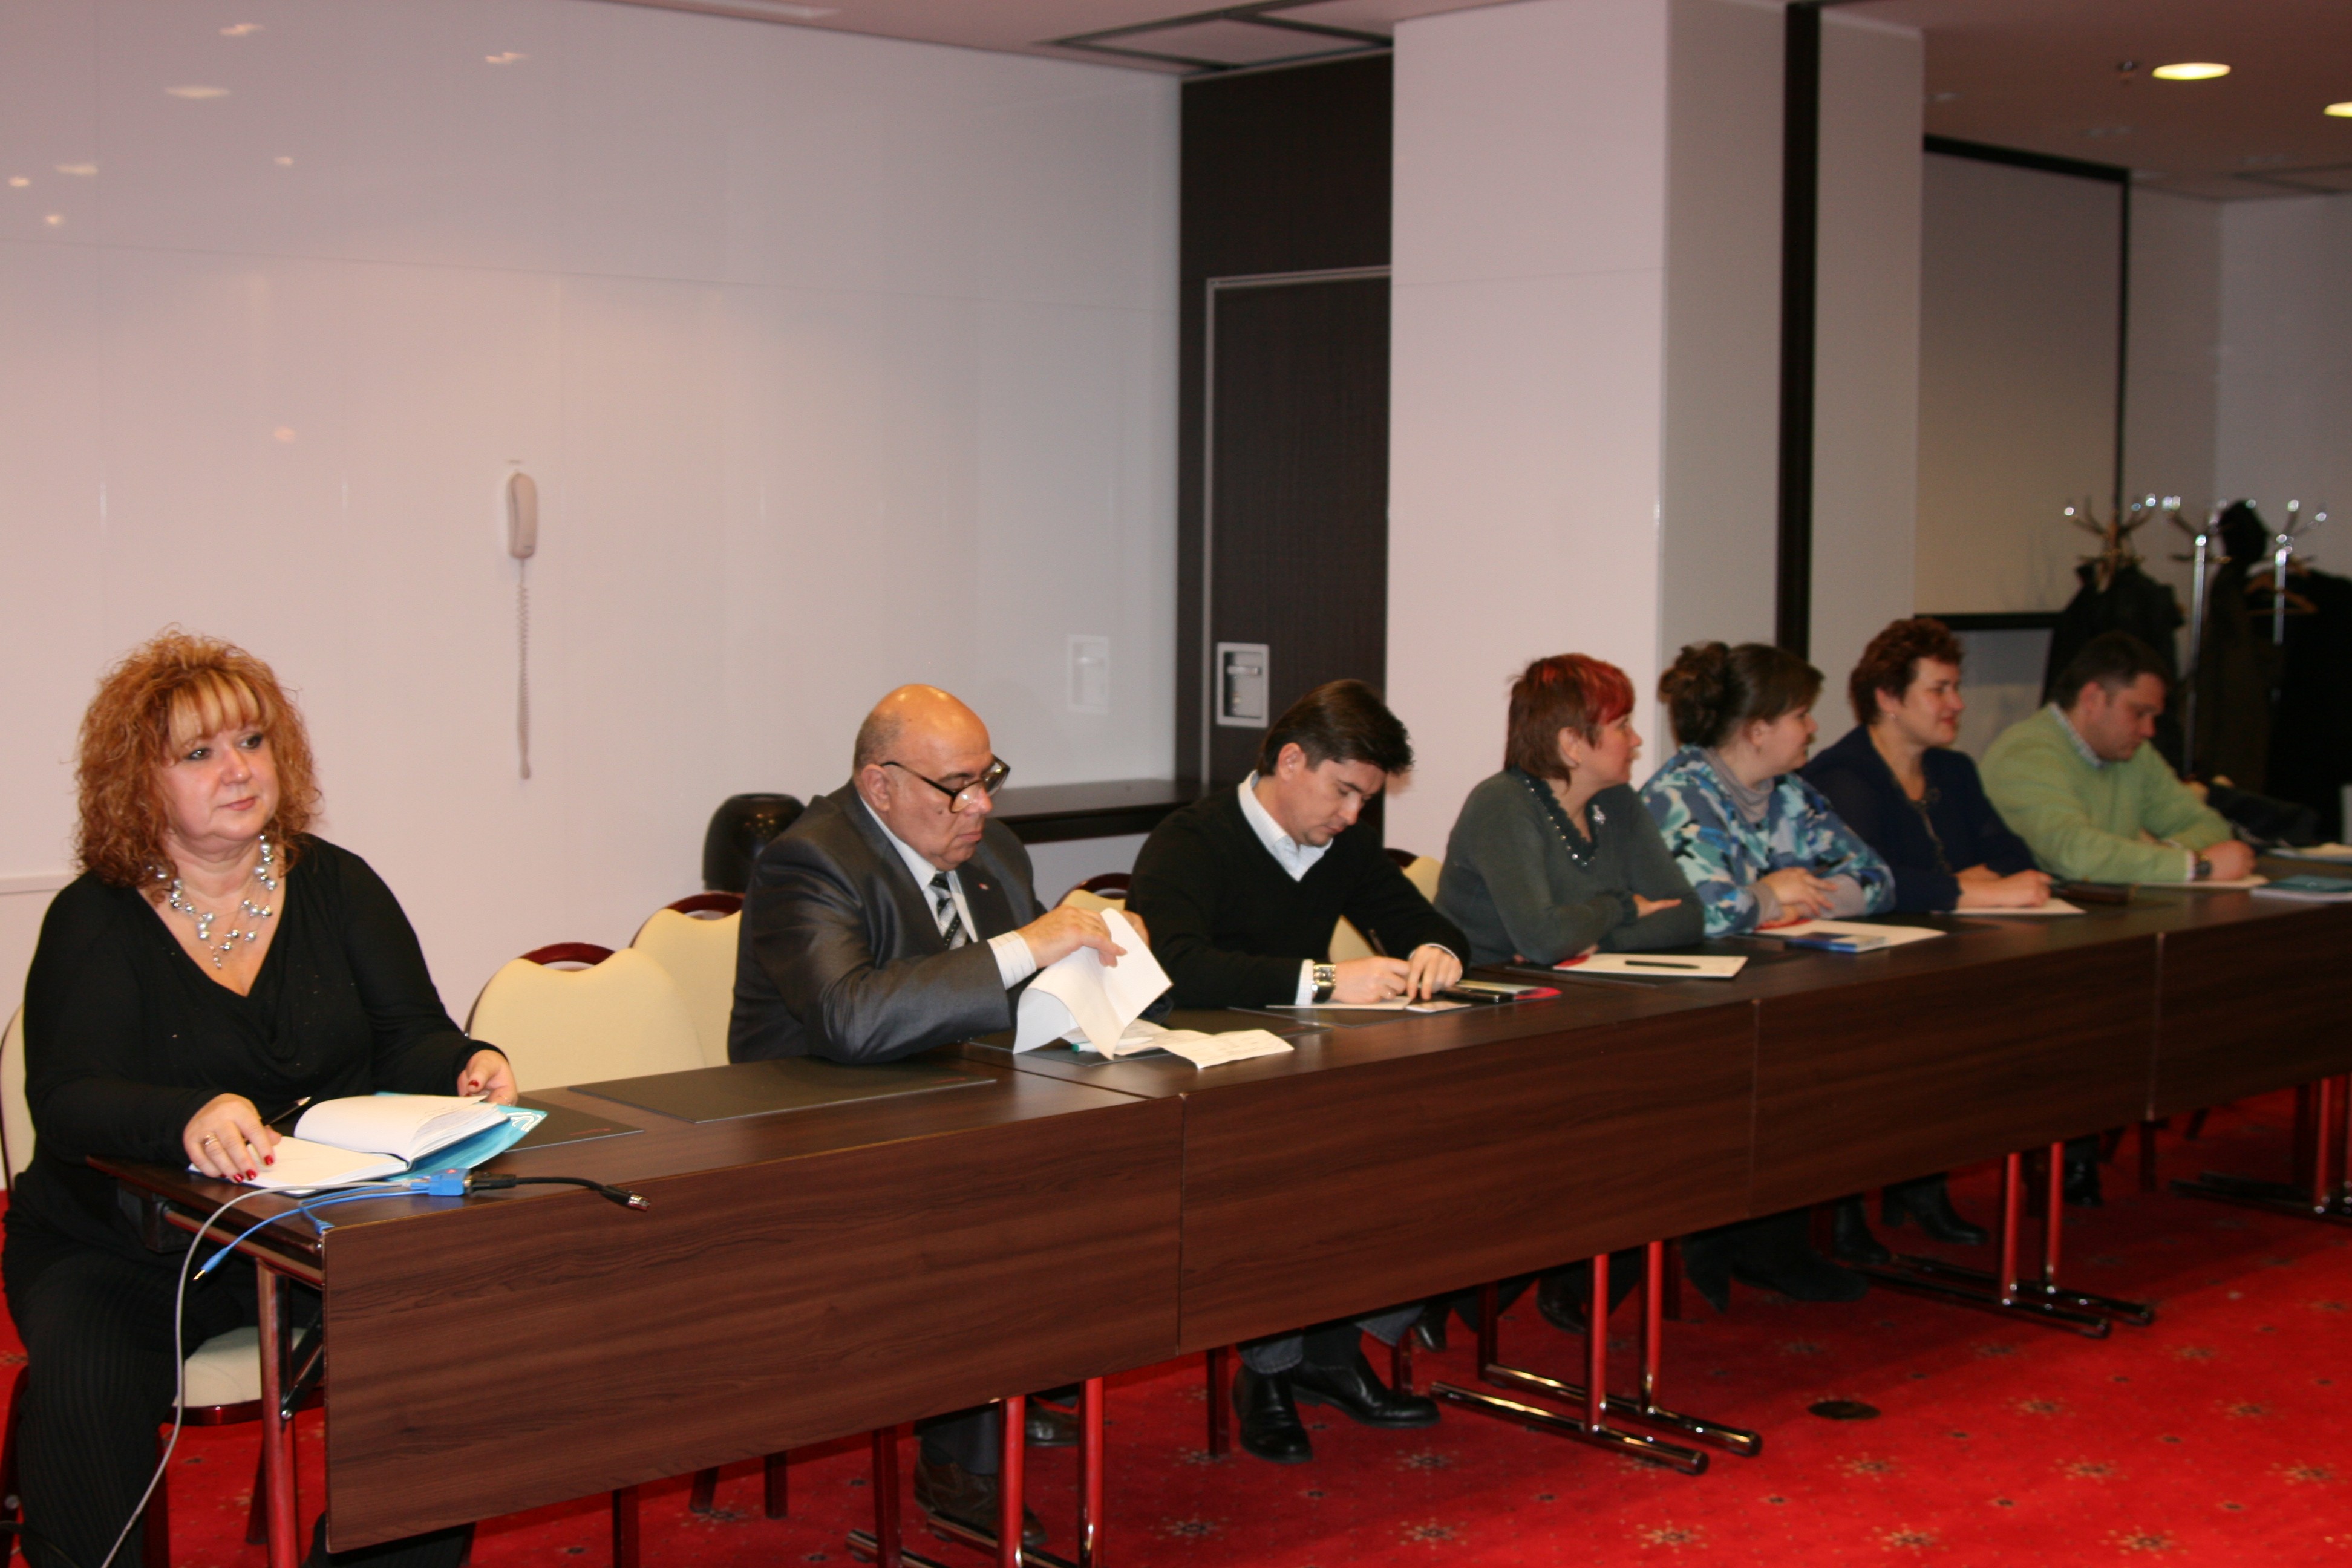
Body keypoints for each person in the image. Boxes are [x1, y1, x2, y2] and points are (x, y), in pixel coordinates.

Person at [7, 631, 516, 1568]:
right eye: (199, 753)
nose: (238, 769)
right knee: (86, 1390)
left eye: (252, 742)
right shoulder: (95, 918)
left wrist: (466, 1063)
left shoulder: (338, 884)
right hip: (123, 1245)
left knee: (454, 1361)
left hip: (315, 1233)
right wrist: (185, 1117)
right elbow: (69, 1100)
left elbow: (409, 1031)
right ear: (140, 783)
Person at [730, 684, 1134, 1543]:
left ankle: (1015, 1378)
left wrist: (1105, 965)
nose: (981, 805)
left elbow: (1027, 987)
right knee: (975, 1204)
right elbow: (850, 1017)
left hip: (952, 1101)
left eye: (989, 778)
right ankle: (960, 1462)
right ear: (879, 786)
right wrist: (1029, 945)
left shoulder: (996, 851)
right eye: (957, 786)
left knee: (1102, 1157)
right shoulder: (808, 861)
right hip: (816, 1128)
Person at [1126, 679, 1463, 1465]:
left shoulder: (1344, 847)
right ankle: (1270, 1375)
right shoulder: (1192, 839)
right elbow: (1176, 968)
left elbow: (1426, 924)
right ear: (1290, 762)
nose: (1351, 816)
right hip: (1203, 1075)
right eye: (1343, 791)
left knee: (1423, 1143)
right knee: (1293, 1173)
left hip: (1305, 1067)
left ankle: (1333, 1355)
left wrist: (1437, 950)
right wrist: (1324, 979)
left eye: (1365, 800)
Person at [1433, 652, 1699, 1333]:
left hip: (1573, 1005)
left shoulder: (1617, 804)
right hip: (1481, 1024)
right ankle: (1477, 1287)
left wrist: (1588, 939)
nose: (1637, 740)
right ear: (1572, 744)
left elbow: (1686, 916)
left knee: (1675, 1101)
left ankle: (1570, 1277)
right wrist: (1621, 906)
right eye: (1623, 725)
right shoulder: (1502, 803)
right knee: (1607, 1115)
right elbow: (1543, 937)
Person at [1640, 641, 1894, 1308]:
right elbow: (1701, 912)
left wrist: (1796, 897)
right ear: (1758, 729)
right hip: (1695, 1004)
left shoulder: (1789, 794)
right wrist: (1770, 894)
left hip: (1781, 984)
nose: (1813, 728)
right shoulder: (1678, 795)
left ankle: (1774, 1244)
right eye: (1801, 715)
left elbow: (1876, 877)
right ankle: (1735, 1241)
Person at [1803, 618, 2046, 1255]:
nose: (1956, 704)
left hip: (1954, 956)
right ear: (1889, 697)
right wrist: (1964, 887)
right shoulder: (1845, 776)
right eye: (1940, 689)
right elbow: (1869, 881)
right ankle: (1849, 1204)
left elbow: (2013, 857)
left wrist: (1950, 886)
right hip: (1865, 970)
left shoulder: (1954, 770)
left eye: (1955, 688)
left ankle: (1922, 1182)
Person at [1982, 630, 2252, 886]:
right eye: (2139, 713)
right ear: (2093, 699)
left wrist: (2155, 859)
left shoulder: (2134, 753)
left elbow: (2210, 826)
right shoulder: (2024, 755)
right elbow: (2076, 856)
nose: (2149, 731)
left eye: (2153, 717)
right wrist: (2195, 866)